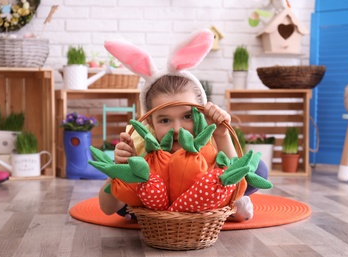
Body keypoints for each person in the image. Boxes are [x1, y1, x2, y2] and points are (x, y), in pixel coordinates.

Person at [98, 28, 268, 222]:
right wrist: (120, 169)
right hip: (157, 202)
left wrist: (221, 134)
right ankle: (225, 207)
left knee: (257, 170)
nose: (177, 129)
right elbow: (107, 208)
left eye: (187, 116)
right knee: (124, 206)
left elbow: (236, 176)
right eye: (164, 120)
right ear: (150, 123)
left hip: (204, 196)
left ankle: (227, 203)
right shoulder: (140, 142)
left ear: (201, 113)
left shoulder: (208, 133)